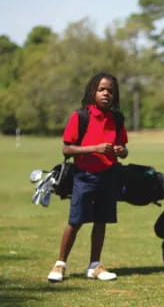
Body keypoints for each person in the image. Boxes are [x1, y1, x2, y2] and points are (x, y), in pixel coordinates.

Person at [47, 72, 128, 283]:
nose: (106, 94)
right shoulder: (80, 116)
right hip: (83, 175)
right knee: (75, 221)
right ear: (93, 91)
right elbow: (66, 149)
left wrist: (120, 151)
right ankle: (60, 264)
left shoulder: (117, 118)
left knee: (101, 221)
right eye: (102, 89)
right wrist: (96, 148)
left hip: (109, 175)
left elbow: (124, 149)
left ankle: (94, 266)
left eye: (110, 91)